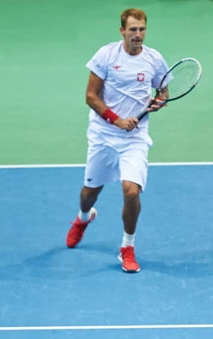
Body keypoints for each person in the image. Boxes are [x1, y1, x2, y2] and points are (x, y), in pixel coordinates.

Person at [65, 8, 169, 273]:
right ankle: (83, 218)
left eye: (142, 29)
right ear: (122, 30)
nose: (138, 34)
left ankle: (127, 247)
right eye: (133, 29)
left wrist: (159, 102)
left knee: (131, 191)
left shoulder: (154, 59)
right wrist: (117, 120)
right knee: (89, 194)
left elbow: (163, 91)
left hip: (135, 138)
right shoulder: (106, 55)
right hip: (103, 135)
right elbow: (91, 96)